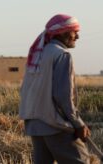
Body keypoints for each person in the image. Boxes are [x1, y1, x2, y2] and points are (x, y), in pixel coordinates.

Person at [19, 14, 91, 164]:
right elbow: (63, 96)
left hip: (36, 126)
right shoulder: (62, 55)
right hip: (55, 125)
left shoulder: (39, 54)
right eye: (74, 32)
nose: (77, 36)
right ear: (63, 32)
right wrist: (78, 123)